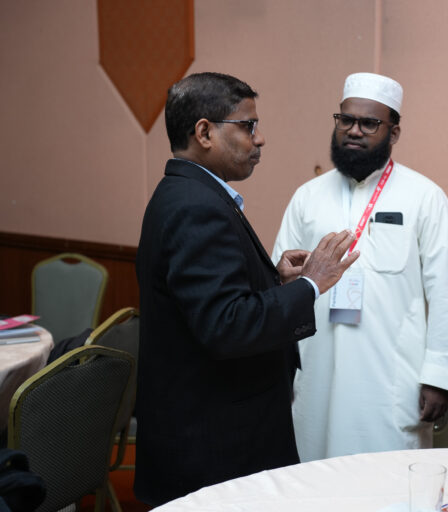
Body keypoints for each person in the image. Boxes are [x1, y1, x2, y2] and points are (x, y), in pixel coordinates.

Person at [135, 72, 359, 505]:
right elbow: (228, 326)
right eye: (248, 126)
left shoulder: (189, 194)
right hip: (214, 445)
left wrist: (275, 281)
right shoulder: (196, 206)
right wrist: (311, 284)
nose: (260, 139)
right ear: (204, 133)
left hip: (211, 430)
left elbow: (210, 303)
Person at [272, 72, 448, 461]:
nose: (354, 130)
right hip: (316, 371)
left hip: (391, 377)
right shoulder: (307, 197)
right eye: (346, 120)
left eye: (369, 123)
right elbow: (280, 284)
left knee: (387, 475)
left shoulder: (425, 197)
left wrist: (440, 377)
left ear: (394, 132)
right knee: (313, 470)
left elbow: (446, 293)